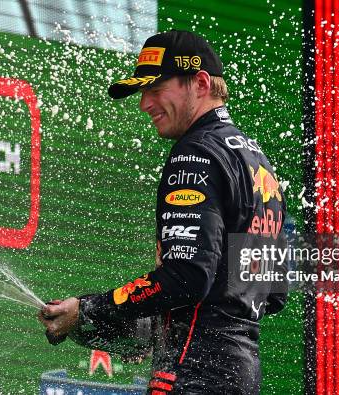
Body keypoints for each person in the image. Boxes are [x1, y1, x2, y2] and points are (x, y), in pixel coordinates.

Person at [39, 29, 289, 394]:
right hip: (239, 375)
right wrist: (153, 321)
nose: (145, 104)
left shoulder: (196, 152)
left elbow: (187, 277)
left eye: (156, 90)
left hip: (190, 375)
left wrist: (89, 310)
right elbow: (273, 292)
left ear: (200, 83)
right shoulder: (256, 161)